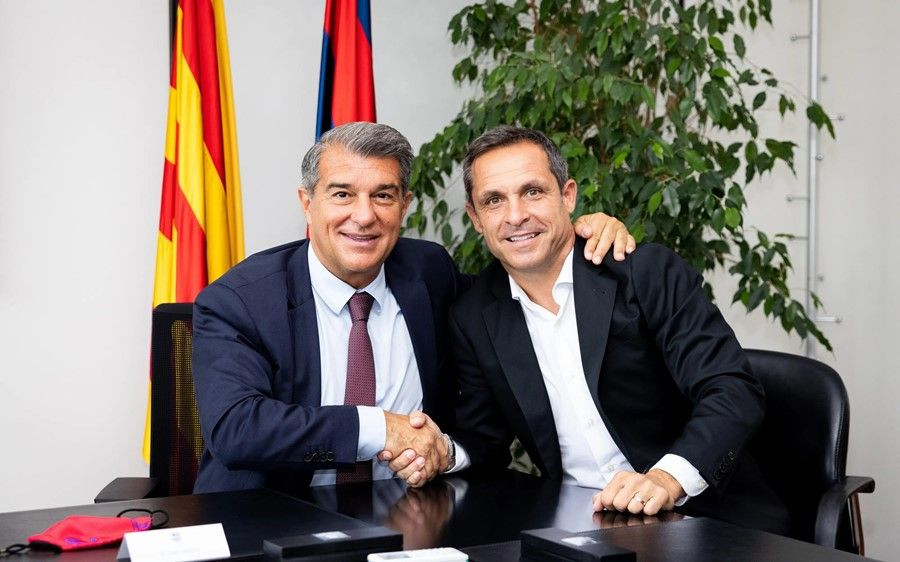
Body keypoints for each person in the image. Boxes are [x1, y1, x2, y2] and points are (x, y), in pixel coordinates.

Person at [190, 122, 634, 495]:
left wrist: (575, 238)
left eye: (383, 196)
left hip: (413, 520)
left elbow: (518, 292)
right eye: (342, 195)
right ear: (308, 203)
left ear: (404, 205)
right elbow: (236, 427)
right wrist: (381, 428)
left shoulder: (429, 273)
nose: (364, 216)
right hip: (269, 521)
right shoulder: (240, 301)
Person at [389, 125, 788, 533]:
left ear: (568, 196)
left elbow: (732, 389)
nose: (515, 216)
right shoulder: (474, 315)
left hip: (708, 519)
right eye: (494, 200)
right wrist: (444, 452)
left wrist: (666, 479)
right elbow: (484, 437)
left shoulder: (644, 272)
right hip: (581, 527)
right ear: (475, 218)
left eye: (532, 192)